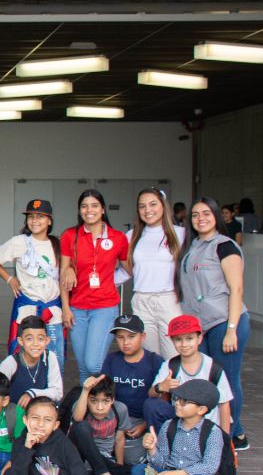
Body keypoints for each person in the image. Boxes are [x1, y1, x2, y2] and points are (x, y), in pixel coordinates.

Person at [178, 197, 250, 451]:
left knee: (227, 380)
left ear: (216, 216)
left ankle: (233, 434)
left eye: (206, 213)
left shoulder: (225, 246)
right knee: (207, 379)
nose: (201, 219)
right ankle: (219, 431)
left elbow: (237, 288)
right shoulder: (193, 245)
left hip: (223, 322)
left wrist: (231, 329)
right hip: (202, 325)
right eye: (195, 215)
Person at [134, 379, 225, 475]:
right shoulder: (169, 425)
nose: (177, 403)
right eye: (176, 399)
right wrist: (152, 449)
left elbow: (209, 467)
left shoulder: (213, 432)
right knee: (139, 470)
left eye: (184, 402)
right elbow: (161, 462)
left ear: (201, 409)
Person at [59, 189, 129, 383]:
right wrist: (65, 308)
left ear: (103, 210)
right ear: (79, 211)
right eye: (84, 206)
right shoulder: (70, 236)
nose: (89, 210)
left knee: (93, 365)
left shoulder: (118, 238)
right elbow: (63, 275)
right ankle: (85, 412)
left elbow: (129, 268)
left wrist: (111, 279)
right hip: (77, 309)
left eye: (94, 205)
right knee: (83, 369)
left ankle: (106, 393)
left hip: (105, 307)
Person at [0, 199, 63, 368]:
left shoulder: (58, 244)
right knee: (23, 357)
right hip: (28, 308)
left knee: (54, 360)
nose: (35, 221)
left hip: (53, 311)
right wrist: (10, 278)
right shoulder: (19, 242)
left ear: (49, 220)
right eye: (31, 217)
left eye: (40, 216)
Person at [143, 314, 234, 435]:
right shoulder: (169, 365)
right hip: (178, 420)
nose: (184, 344)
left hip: (206, 426)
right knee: (151, 404)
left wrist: (225, 441)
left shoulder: (213, 368)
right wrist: (161, 387)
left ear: (199, 338)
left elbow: (224, 404)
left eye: (189, 338)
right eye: (178, 339)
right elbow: (151, 393)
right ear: (172, 341)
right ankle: (161, 446)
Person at [125, 188, 185, 357]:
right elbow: (126, 269)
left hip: (169, 300)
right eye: (142, 206)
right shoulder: (131, 236)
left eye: (153, 204)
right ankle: (155, 385)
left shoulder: (180, 234)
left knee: (173, 354)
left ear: (163, 206)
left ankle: (175, 385)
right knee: (149, 357)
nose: (147, 210)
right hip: (142, 301)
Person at [69, 375, 136, 475]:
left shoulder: (120, 409)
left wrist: (119, 466)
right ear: (87, 399)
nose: (99, 408)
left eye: (105, 401)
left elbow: (120, 439)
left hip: (103, 459)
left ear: (112, 400)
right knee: (80, 426)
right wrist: (85, 391)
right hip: (80, 458)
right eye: (94, 401)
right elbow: (77, 418)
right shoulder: (81, 406)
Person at [101, 315, 161, 445]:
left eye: (131, 336)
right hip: (114, 417)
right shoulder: (112, 359)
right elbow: (104, 392)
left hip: (143, 420)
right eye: (120, 337)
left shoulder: (154, 361)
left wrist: (145, 424)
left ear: (143, 337)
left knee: (133, 457)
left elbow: (163, 399)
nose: (125, 342)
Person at [0, 315, 63, 408]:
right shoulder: (10, 363)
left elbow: (57, 392)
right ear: (20, 340)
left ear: (47, 340)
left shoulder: (49, 357)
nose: (35, 344)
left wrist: (33, 393)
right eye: (29, 339)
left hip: (39, 414)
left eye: (40, 339)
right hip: (14, 416)